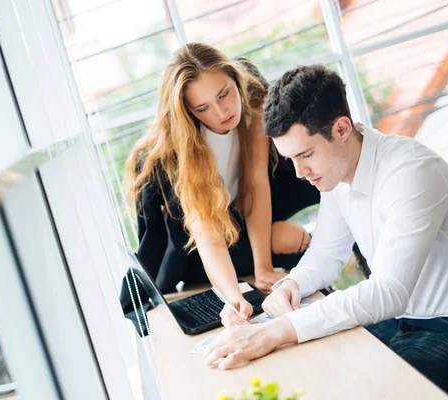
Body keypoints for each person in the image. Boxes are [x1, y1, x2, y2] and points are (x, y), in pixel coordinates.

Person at [203, 64, 448, 399]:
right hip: (402, 318)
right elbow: (325, 253)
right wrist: (292, 284)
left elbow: (388, 292)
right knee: (318, 373)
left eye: (305, 155)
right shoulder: (336, 174)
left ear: (341, 128)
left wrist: (275, 331)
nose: (300, 173)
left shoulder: (411, 174)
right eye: (290, 159)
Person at [122, 43, 319, 324]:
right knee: (287, 238)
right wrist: (233, 299)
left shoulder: (254, 101)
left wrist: (263, 267)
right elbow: (206, 231)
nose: (221, 111)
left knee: (293, 237)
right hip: (199, 250)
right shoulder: (182, 148)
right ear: (189, 112)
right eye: (203, 108)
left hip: (239, 221)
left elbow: (256, 185)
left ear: (234, 77)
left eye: (224, 94)